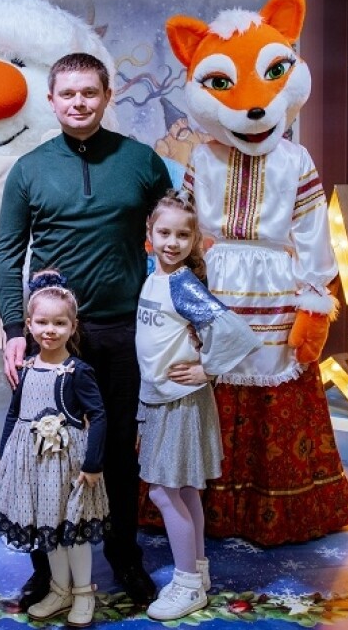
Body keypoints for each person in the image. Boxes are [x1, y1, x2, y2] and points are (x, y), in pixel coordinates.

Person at [0, 52, 173, 607]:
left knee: (116, 450)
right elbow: (8, 254)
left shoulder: (141, 161)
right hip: (52, 337)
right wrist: (14, 328)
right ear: (51, 100)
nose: (79, 103)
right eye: (68, 94)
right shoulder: (29, 169)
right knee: (45, 449)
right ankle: (47, 570)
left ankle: (124, 558)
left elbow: (174, 235)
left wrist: (180, 315)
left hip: (123, 330)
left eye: (89, 92)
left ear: (107, 96)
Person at [134, 191, 260, 621]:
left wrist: (207, 369)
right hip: (161, 398)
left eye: (182, 235)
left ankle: (187, 584)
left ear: (194, 240)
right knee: (185, 489)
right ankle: (198, 570)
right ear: (150, 233)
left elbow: (237, 333)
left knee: (163, 490)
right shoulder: (154, 277)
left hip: (181, 401)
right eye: (164, 233)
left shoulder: (183, 283)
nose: (172, 242)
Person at [0, 270, 109, 628]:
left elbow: (98, 416)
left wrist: (93, 463)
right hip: (33, 467)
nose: (50, 330)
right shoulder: (26, 369)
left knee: (73, 531)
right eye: (42, 322)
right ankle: (60, 590)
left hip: (68, 466)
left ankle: (83, 592)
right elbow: (14, 415)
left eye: (59, 323)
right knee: (48, 529)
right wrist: (5, 455)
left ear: (73, 327)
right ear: (28, 324)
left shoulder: (75, 371)